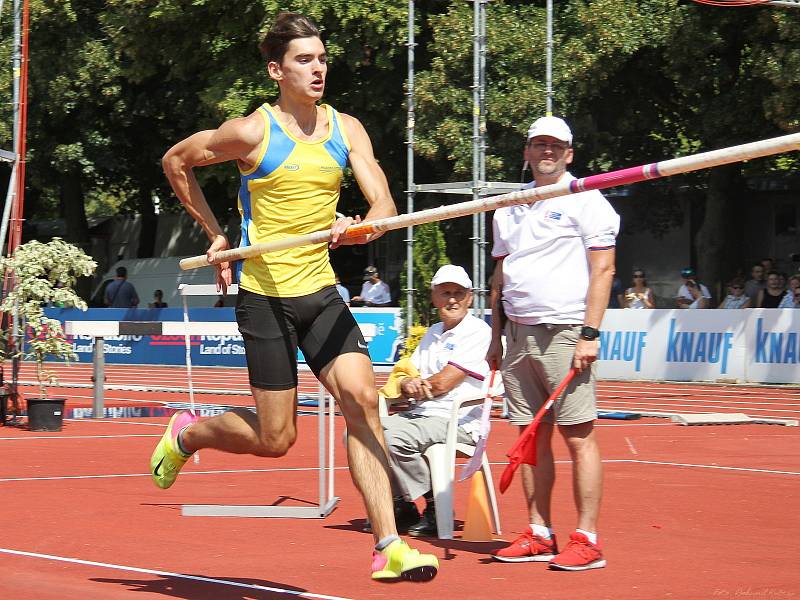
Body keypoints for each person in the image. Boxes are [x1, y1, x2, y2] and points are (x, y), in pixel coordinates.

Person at [153, 12, 437, 583]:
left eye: (322, 58)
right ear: (276, 70)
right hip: (265, 296)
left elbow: (383, 202)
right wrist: (215, 233)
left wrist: (364, 227)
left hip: (320, 292)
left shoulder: (346, 128)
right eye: (304, 60)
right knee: (276, 438)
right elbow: (175, 162)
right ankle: (187, 433)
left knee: (363, 401)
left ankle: (388, 544)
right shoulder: (251, 133)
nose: (317, 68)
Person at [487, 116, 619, 571]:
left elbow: (603, 270)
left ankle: (588, 538)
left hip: (566, 331)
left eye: (555, 146)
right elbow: (501, 276)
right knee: (529, 438)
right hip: (518, 333)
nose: (546, 151)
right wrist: (494, 334)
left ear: (569, 154)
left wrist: (589, 333)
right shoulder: (507, 207)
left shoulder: (588, 200)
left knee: (578, 435)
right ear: (526, 151)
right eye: (538, 144)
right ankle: (538, 531)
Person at [378, 264, 491, 537]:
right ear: (434, 298)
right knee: (356, 436)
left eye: (458, 293)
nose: (452, 299)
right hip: (422, 415)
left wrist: (414, 385)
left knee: (391, 438)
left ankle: (433, 506)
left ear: (470, 297)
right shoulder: (432, 333)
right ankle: (401, 507)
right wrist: (407, 383)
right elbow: (407, 373)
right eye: (445, 293)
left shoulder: (477, 331)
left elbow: (443, 383)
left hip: (457, 420)